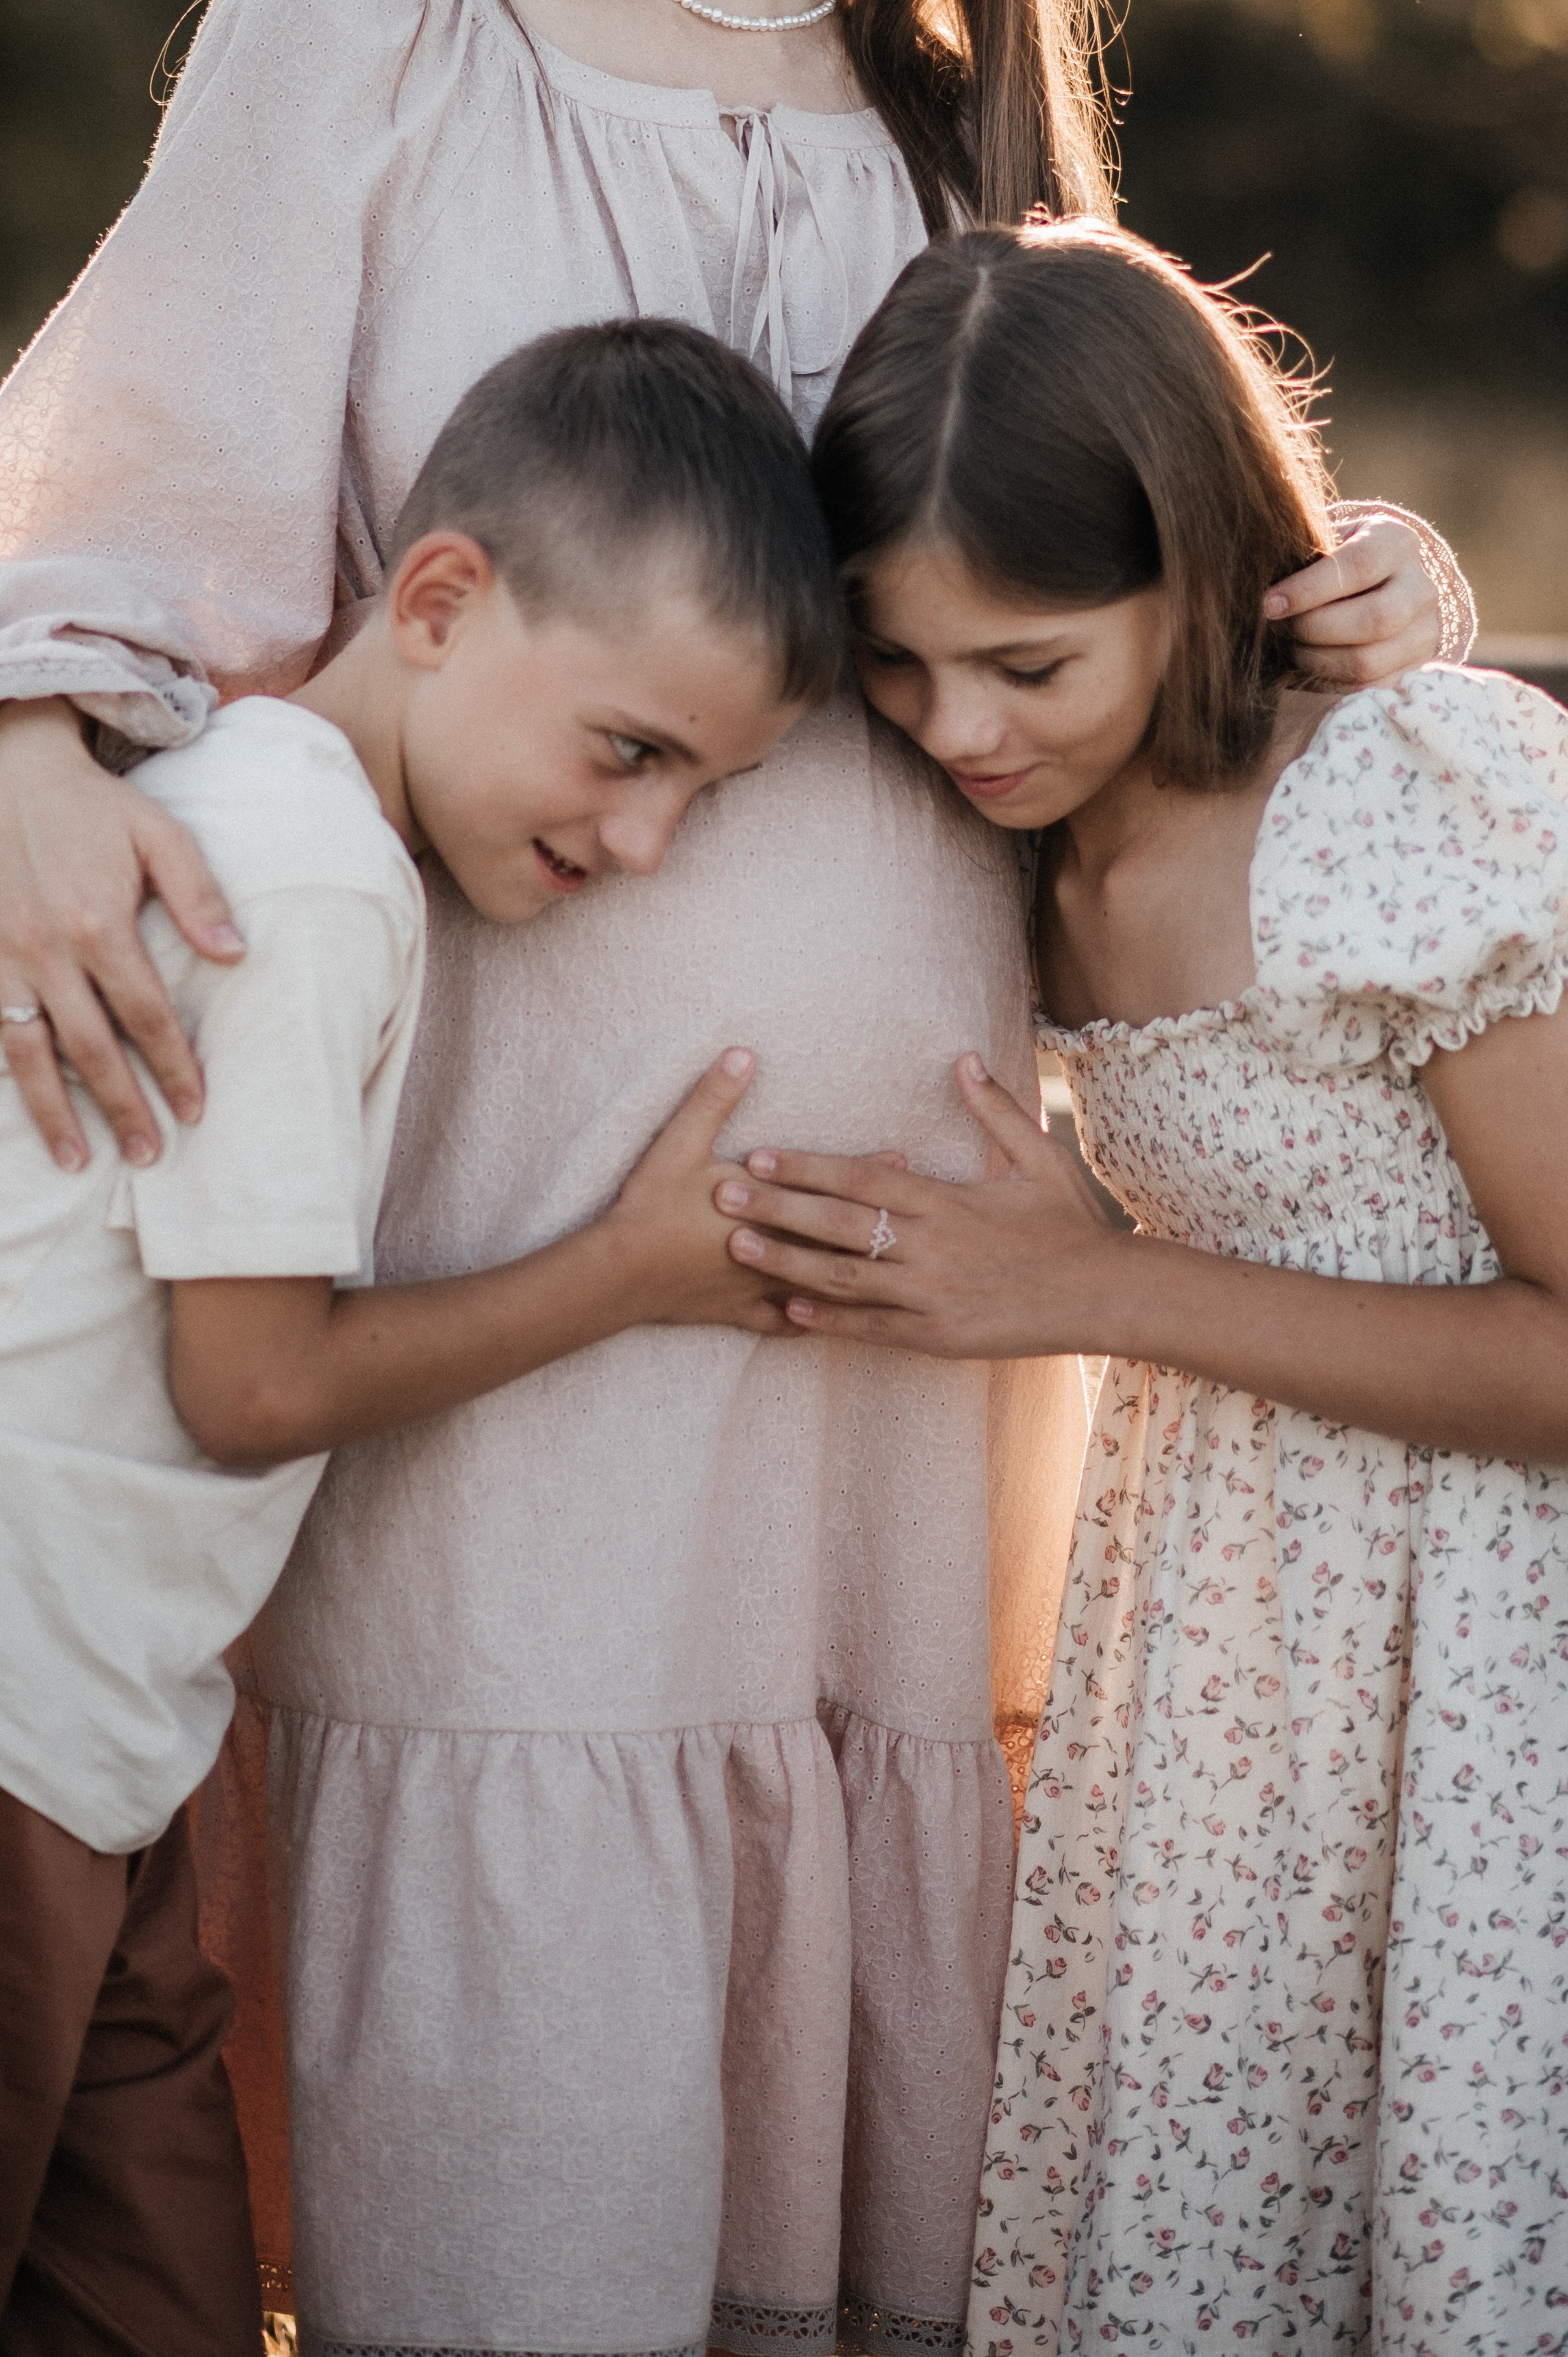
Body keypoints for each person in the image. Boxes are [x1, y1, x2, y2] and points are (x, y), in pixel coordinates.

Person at [0, 3, 1475, 2348]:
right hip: (518, 1265)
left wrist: (1357, 573)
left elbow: (1087, 482)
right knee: (536, 2046)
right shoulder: (379, 33)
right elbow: (106, 511)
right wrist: (26, 739)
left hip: (907, 1341)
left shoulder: (945, 72)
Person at [712, 218, 1568, 2352]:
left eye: (1025, 664)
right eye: (900, 667)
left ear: (1195, 569)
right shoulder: (1019, 836)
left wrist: (1090, 1284)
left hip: (1473, 1660)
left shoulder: (1393, 800)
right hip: (1219, 1680)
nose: (958, 728)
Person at [0, 316, 838, 2357]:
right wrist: (623, 1273)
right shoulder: (302, 883)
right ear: (442, 599)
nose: (640, 841)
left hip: (102, 1749)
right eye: (629, 752)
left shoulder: (285, 819)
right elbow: (251, 1381)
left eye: (700, 797)